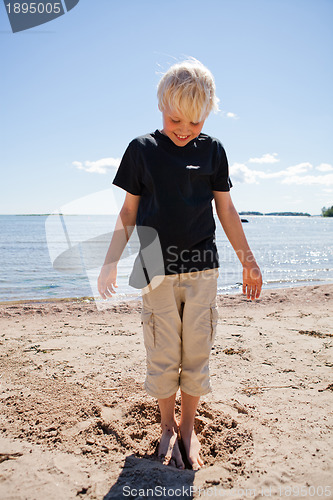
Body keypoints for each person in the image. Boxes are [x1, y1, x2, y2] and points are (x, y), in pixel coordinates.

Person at [97, 58, 262, 471]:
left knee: (196, 351)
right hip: (155, 269)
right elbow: (128, 213)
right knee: (163, 351)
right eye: (175, 119)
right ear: (160, 107)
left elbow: (225, 209)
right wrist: (109, 263)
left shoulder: (213, 151)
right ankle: (166, 425)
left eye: (194, 121)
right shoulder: (141, 150)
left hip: (203, 266)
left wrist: (249, 260)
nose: (185, 129)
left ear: (206, 114)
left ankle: (188, 427)